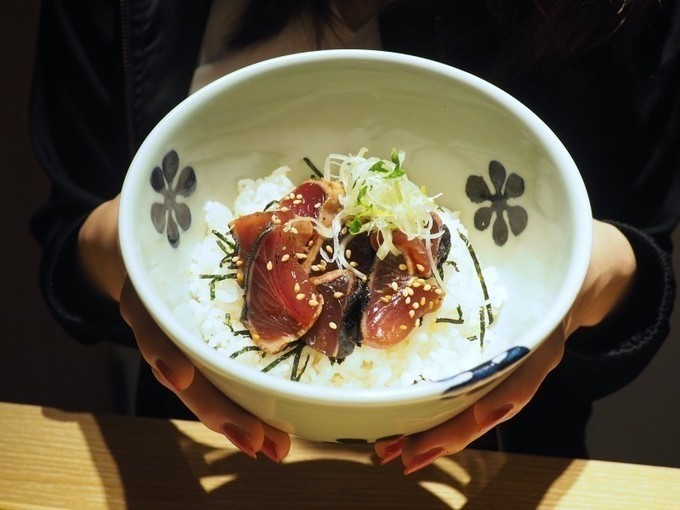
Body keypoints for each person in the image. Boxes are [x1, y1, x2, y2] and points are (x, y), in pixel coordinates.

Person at [30, 0, 679, 474]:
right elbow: (67, 239)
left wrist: (593, 274)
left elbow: (643, 269)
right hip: (189, 452)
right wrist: (119, 248)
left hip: (501, 467)